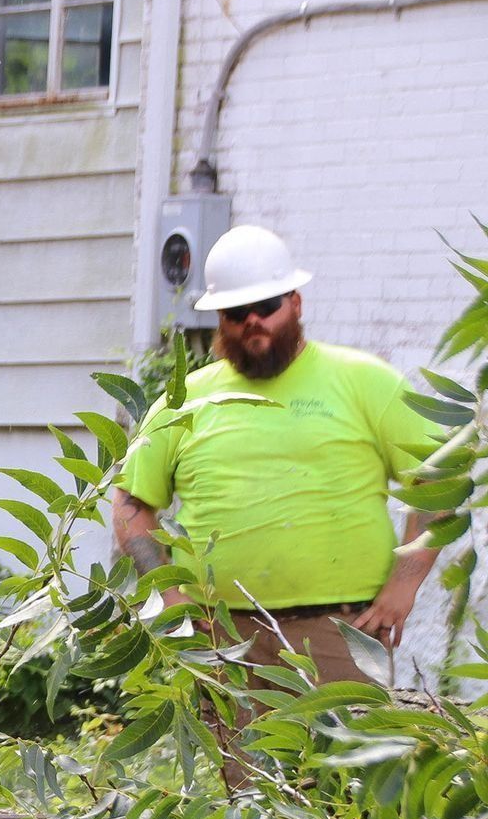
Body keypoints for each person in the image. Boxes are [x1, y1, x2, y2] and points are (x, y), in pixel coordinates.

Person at [113, 224, 440, 695]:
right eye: (237, 311)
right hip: (222, 638)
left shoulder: (367, 382)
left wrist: (403, 587)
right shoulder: (183, 400)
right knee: (245, 770)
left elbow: (437, 482)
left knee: (340, 770)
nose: (253, 321)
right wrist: (167, 595)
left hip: (344, 634)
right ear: (219, 319)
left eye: (267, 307)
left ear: (296, 304)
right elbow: (131, 502)